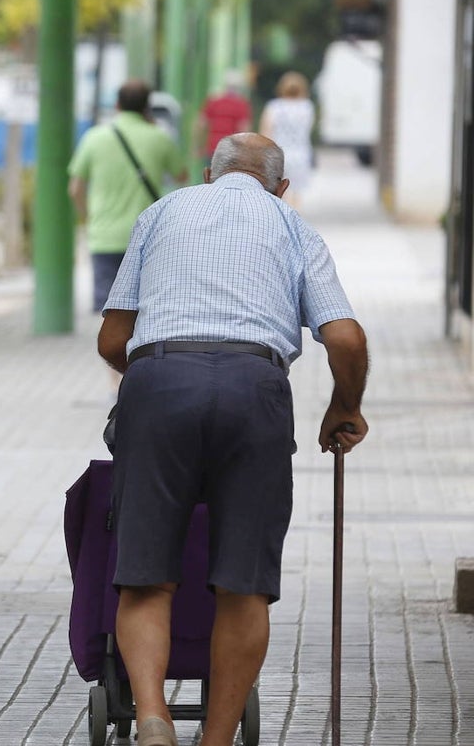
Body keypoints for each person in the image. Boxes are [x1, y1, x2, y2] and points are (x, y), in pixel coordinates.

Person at [96, 133, 369, 746]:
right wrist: (343, 408)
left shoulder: (161, 212)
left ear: (208, 172)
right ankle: (217, 741)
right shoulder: (292, 225)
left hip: (160, 381)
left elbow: (113, 341)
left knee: (145, 576)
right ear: (281, 186)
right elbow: (346, 339)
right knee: (244, 583)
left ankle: (151, 719)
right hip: (256, 387)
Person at [69, 79, 187, 313]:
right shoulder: (159, 137)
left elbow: (75, 188)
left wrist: (87, 216)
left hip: (104, 234)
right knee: (143, 310)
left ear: (117, 105)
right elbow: (181, 177)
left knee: (107, 313)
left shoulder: (94, 137)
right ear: (146, 107)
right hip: (148, 237)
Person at [259, 71, 315, 206]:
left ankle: (281, 221)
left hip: (278, 153)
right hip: (301, 154)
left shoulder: (274, 107)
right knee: (296, 192)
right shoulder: (307, 107)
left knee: (280, 191)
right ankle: (294, 220)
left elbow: (266, 131)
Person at [196, 69, 252, 168]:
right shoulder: (241, 104)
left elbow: (201, 124)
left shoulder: (213, 101)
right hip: (231, 149)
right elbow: (244, 129)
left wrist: (199, 146)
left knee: (211, 176)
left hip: (213, 147)